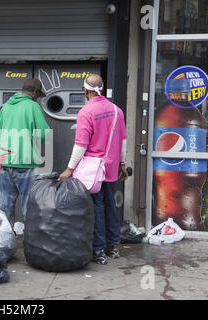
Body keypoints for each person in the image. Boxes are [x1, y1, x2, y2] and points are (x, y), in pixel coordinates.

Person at [58, 74, 128, 265]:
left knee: (97, 207)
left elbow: (80, 145)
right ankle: (113, 246)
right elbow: (123, 141)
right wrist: (122, 165)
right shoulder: (116, 111)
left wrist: (69, 169)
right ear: (102, 89)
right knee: (110, 205)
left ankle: (98, 250)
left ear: (85, 90)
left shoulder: (86, 112)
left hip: (93, 171)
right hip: (111, 167)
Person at [0, 78, 50, 228]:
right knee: (29, 205)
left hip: (6, 162)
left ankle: (6, 242)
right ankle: (31, 243)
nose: (37, 98)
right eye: (38, 95)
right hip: (26, 163)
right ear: (34, 93)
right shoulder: (33, 106)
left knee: (5, 205)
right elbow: (43, 133)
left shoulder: (6, 107)